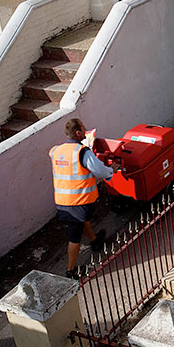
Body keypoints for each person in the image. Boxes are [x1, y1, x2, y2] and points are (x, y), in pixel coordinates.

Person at [49, 118, 120, 279]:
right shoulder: (82, 152)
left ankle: (95, 241)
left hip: (62, 200)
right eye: (84, 129)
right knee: (74, 236)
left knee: (81, 222)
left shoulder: (56, 151)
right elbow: (99, 171)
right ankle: (70, 271)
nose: (86, 131)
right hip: (79, 200)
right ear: (78, 132)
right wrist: (111, 170)